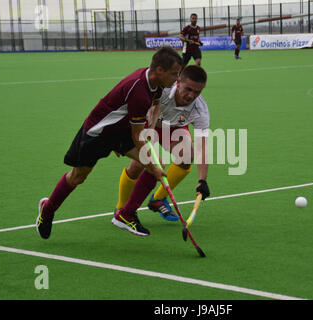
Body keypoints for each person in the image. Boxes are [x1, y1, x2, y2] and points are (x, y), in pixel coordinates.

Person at [36, 46, 183, 240]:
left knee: (153, 165)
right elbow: (137, 135)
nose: (177, 79)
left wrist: (149, 133)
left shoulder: (157, 84)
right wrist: (151, 160)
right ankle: (47, 210)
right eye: (174, 74)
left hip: (121, 130)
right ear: (159, 71)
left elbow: (154, 105)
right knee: (78, 176)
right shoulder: (138, 89)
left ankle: (126, 214)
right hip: (98, 133)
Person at [113, 65, 210, 236]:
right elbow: (131, 105)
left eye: (197, 92)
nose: (191, 96)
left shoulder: (200, 109)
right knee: (139, 165)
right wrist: (120, 136)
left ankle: (158, 199)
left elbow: (203, 144)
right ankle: (121, 208)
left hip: (174, 128)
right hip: (146, 124)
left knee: (187, 156)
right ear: (178, 82)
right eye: (188, 89)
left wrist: (202, 180)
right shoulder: (162, 89)